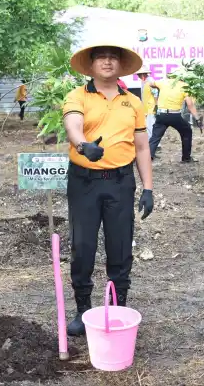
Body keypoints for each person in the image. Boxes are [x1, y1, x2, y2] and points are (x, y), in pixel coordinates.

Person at [62, 42, 154, 337]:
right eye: (101, 57)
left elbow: (141, 147)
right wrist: (83, 145)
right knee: (83, 246)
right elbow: (72, 125)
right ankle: (83, 310)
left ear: (120, 66)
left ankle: (118, 308)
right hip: (84, 182)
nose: (107, 61)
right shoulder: (78, 96)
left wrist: (148, 188)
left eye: (113, 57)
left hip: (120, 182)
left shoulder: (133, 102)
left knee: (121, 246)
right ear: (90, 65)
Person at [147, 74, 202, 162]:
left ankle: (148, 157)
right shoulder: (184, 85)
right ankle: (186, 158)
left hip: (161, 115)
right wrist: (197, 118)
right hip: (175, 116)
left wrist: (158, 87)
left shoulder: (163, 82)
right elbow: (190, 104)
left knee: (155, 137)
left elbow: (150, 83)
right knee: (187, 131)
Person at [136, 66, 157, 137]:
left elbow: (155, 93)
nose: (138, 76)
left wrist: (156, 105)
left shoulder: (150, 81)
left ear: (143, 74)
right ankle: (151, 141)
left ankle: (154, 143)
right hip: (146, 106)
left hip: (151, 106)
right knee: (147, 125)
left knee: (151, 124)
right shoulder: (143, 81)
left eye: (139, 74)